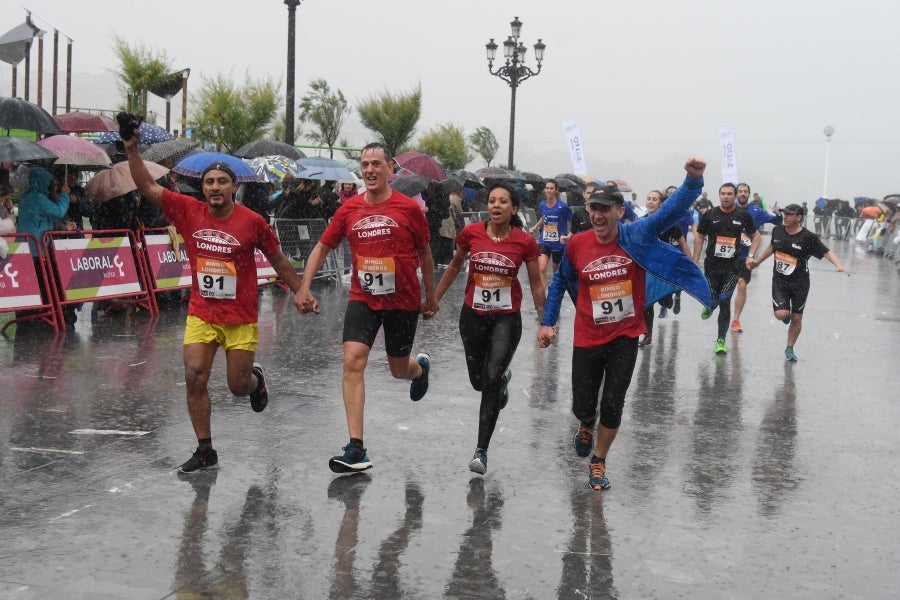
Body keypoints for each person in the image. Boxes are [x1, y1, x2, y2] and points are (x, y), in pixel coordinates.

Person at [122, 129, 305, 475]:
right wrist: (132, 151)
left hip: (240, 317)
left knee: (237, 388)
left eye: (222, 181)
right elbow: (147, 188)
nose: (215, 187)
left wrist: (300, 291)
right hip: (203, 313)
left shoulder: (252, 222)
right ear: (203, 187)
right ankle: (205, 450)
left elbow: (278, 259)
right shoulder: (188, 210)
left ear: (234, 187)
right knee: (194, 376)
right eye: (210, 182)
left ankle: (254, 380)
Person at [538, 158, 712, 491]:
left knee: (614, 404)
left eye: (605, 208)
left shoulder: (637, 235)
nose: (598, 215)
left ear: (619, 211)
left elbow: (670, 212)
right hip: (588, 337)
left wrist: (692, 182)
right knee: (582, 404)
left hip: (625, 335)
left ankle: (599, 461)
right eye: (593, 208)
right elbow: (560, 281)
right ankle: (586, 424)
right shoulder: (577, 244)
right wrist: (548, 322)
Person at [293, 142, 438, 475]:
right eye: (364, 164)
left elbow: (426, 254)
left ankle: (420, 370)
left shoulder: (408, 209)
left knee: (398, 369)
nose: (370, 170)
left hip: (402, 301)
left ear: (390, 168)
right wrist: (304, 286)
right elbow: (322, 246)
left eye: (376, 163)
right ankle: (356, 448)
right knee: (352, 361)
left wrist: (430, 297)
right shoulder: (349, 209)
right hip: (364, 298)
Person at [431, 181, 545, 475]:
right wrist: (433, 299)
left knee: (491, 377)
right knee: (479, 382)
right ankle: (501, 379)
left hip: (506, 318)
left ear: (514, 208)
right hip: (473, 317)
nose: (496, 206)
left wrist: (545, 321)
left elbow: (535, 282)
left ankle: (481, 450)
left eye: (503, 201)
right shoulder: (471, 234)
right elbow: (455, 266)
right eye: (492, 201)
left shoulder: (524, 242)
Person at [749, 204, 850, 361]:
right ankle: (785, 315)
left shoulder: (807, 237)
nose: (785, 217)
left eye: (790, 214)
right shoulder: (778, 230)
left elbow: (826, 252)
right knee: (782, 314)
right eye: (784, 213)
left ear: (799, 218)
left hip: (800, 283)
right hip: (780, 281)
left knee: (797, 318)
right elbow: (772, 246)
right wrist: (758, 261)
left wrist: (839, 265)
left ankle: (789, 348)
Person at [692, 182, 760, 355]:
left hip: (732, 266)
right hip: (712, 265)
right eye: (723, 193)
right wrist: (695, 259)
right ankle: (710, 305)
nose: (726, 197)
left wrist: (751, 255)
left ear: (735, 195)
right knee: (714, 300)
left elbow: (756, 235)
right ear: (719, 195)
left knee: (724, 300)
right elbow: (700, 235)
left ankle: (721, 340)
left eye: (730, 194)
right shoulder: (710, 214)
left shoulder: (742, 215)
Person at [638, 189, 692, 347]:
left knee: (664, 302)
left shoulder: (669, 223)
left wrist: (691, 264)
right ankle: (648, 335)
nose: (650, 202)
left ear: (660, 203)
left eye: (654, 199)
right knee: (647, 302)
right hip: (646, 267)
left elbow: (682, 243)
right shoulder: (640, 222)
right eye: (648, 198)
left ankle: (670, 298)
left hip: (664, 268)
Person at [729, 182, 782, 332]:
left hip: (746, 256)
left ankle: (736, 319)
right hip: (726, 255)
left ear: (749, 194)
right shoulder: (729, 209)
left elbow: (776, 221)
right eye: (740, 191)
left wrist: (778, 212)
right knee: (723, 288)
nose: (743, 194)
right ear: (736, 193)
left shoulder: (756, 211)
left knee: (742, 285)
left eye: (745, 191)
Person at [528, 179, 574, 289]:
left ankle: (555, 291)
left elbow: (572, 221)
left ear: (556, 190)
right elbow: (544, 217)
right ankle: (544, 298)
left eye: (551, 188)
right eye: (547, 188)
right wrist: (535, 227)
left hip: (559, 243)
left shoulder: (562, 206)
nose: (549, 190)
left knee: (556, 272)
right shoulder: (542, 204)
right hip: (545, 241)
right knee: (542, 268)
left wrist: (570, 235)